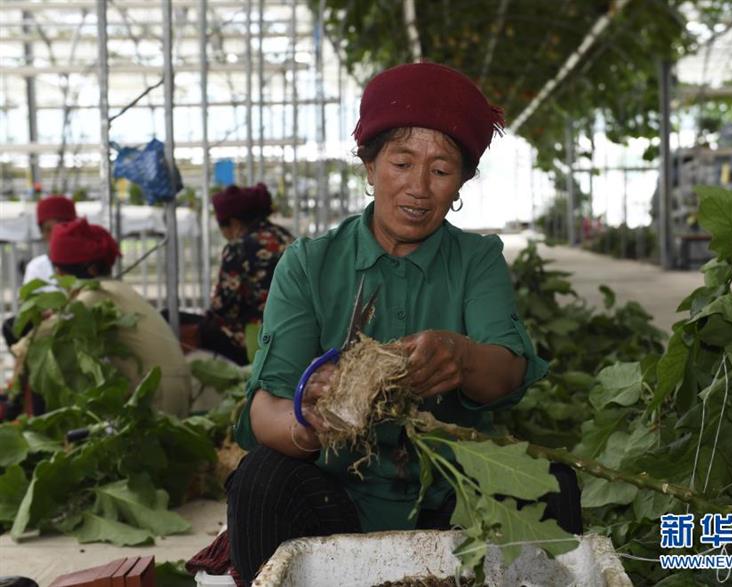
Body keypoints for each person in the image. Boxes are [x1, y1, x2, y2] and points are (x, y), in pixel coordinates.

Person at [225, 62, 582, 582]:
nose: (418, 188)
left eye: (440, 171)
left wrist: (461, 357)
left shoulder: (476, 260)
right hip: (336, 497)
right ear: (369, 166)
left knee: (553, 482)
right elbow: (266, 409)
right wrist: (309, 426)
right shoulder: (309, 263)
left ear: (461, 182)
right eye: (401, 162)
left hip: (451, 498)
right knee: (260, 480)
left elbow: (507, 372)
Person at [12, 218, 192, 417]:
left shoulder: (94, 295)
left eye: (60, 271)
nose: (58, 276)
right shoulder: (118, 289)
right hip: (174, 385)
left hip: (157, 393)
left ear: (89, 270)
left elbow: (35, 340)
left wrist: (13, 391)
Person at [185, 183, 293, 365]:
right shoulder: (286, 237)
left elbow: (224, 307)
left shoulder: (239, 248)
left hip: (260, 336)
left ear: (234, 223)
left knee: (183, 325)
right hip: (295, 329)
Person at [2, 195, 78, 351]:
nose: (54, 235)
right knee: (10, 327)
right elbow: (30, 307)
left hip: (77, 326)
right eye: (48, 230)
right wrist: (45, 313)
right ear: (42, 234)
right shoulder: (37, 266)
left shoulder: (85, 261)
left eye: (60, 227)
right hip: (50, 328)